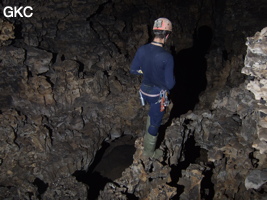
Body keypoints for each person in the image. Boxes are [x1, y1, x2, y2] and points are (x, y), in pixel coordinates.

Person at [130, 17, 175, 159]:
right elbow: (170, 84)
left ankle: (146, 136)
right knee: (155, 123)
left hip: (144, 91)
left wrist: (146, 72)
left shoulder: (142, 49)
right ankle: (149, 152)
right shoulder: (166, 57)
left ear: (154, 32)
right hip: (157, 96)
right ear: (167, 35)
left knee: (152, 115)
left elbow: (133, 69)